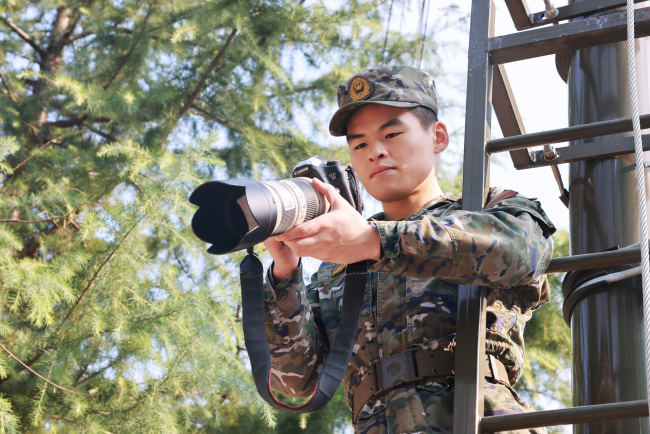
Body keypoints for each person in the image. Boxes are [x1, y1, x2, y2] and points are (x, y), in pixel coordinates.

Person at [262, 65, 555, 434]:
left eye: (392, 134)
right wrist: (285, 275)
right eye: (360, 144)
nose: (375, 153)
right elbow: (296, 381)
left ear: (438, 137)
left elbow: (522, 251)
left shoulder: (490, 208)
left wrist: (375, 241)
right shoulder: (334, 270)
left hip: (480, 417)